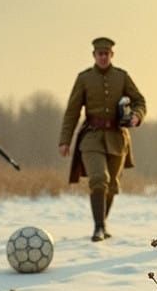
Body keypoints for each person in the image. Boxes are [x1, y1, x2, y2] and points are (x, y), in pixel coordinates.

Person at [59, 37, 146, 242]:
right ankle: (98, 227)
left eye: (107, 53)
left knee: (112, 184)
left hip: (117, 137)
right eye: (100, 54)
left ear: (112, 55)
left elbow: (139, 100)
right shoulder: (84, 78)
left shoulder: (122, 77)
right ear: (94, 55)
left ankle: (102, 222)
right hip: (92, 136)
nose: (103, 57)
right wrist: (65, 140)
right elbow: (72, 111)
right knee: (99, 178)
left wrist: (136, 115)